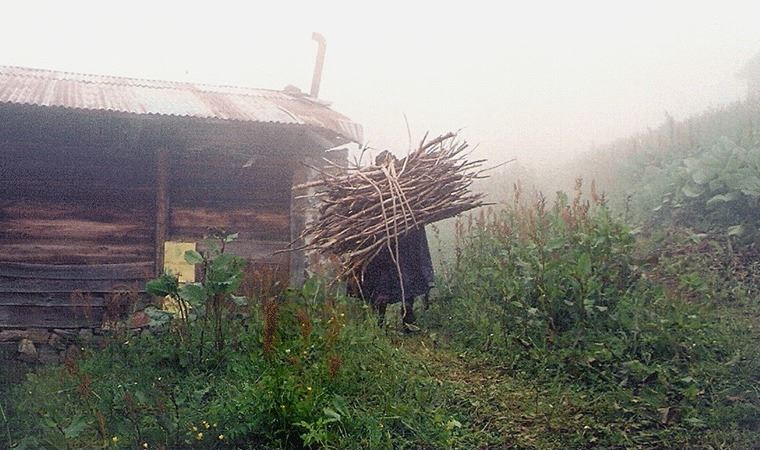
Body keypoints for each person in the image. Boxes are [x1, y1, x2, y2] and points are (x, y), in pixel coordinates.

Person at [359, 226, 435, 329]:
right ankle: (401, 312)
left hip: (395, 227)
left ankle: (387, 317)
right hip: (395, 227)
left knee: (398, 267)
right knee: (405, 265)